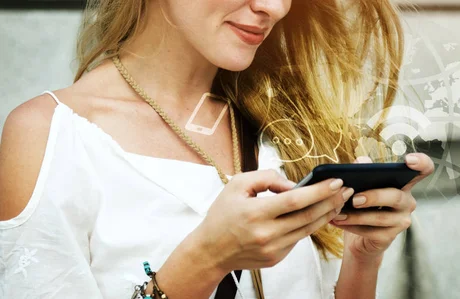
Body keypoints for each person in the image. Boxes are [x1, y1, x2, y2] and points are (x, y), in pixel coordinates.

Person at [0, 0, 434, 298]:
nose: (275, 6)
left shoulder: (281, 127)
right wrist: (205, 260)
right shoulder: (52, 136)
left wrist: (363, 260)